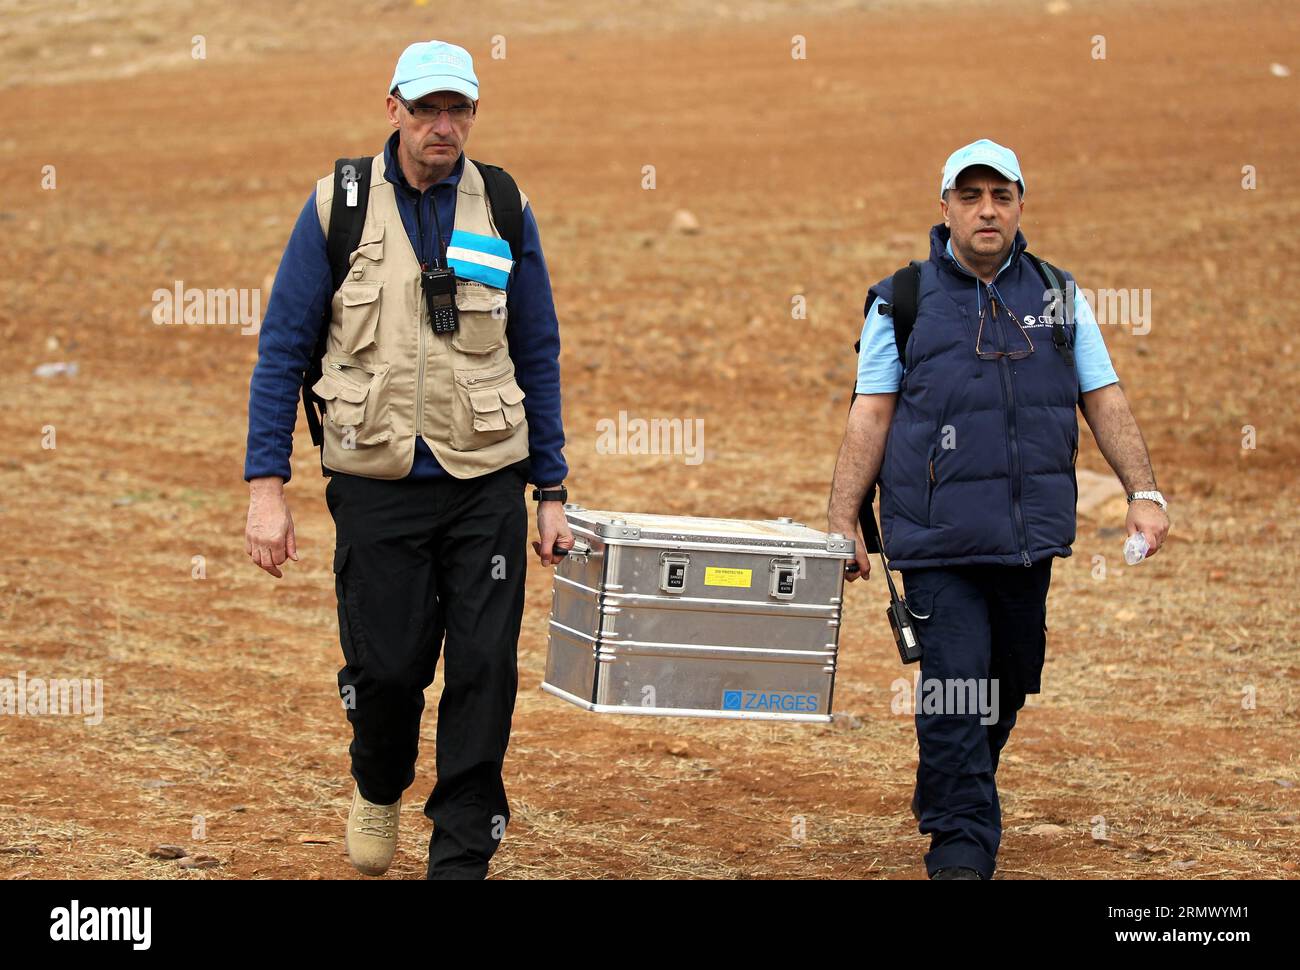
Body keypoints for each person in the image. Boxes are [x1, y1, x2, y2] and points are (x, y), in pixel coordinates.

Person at [242, 40, 574, 880]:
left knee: (484, 670)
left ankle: (460, 853)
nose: (442, 126)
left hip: (484, 479)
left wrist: (552, 488)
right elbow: (283, 348)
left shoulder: (501, 203)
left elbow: (536, 345)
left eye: (457, 110)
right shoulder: (338, 205)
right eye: (426, 109)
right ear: (392, 107)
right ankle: (378, 782)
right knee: (387, 673)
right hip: (374, 480)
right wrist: (265, 487)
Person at [827, 138, 1170, 880]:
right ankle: (960, 847)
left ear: (1019, 204)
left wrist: (1143, 492)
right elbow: (870, 415)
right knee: (955, 688)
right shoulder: (903, 300)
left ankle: (951, 789)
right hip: (935, 540)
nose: (987, 210)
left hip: (1026, 538)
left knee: (1009, 680)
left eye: (1001, 196)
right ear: (944, 205)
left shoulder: (1058, 293)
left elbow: (1103, 397)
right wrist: (842, 520)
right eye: (971, 196)